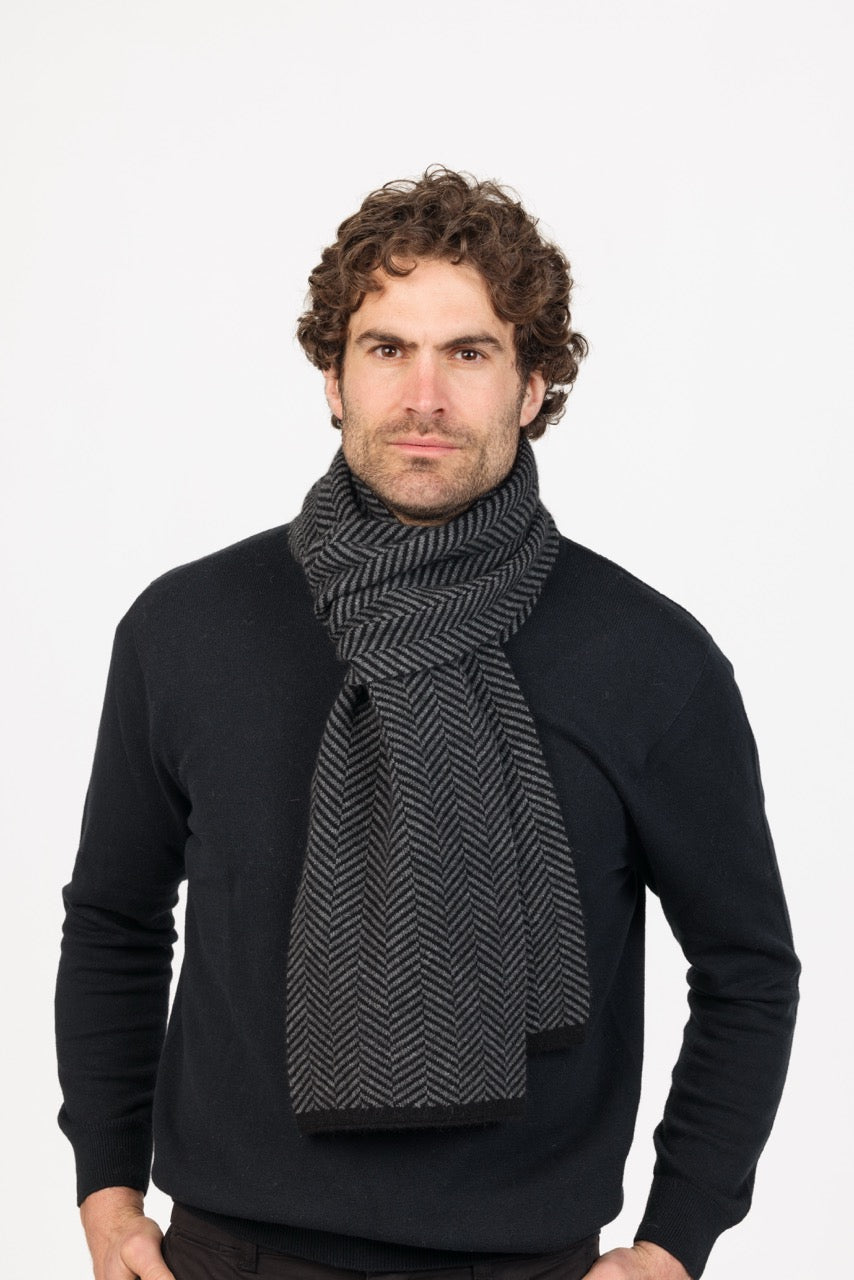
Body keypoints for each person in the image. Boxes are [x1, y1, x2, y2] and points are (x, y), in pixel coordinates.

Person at [55, 167, 800, 1280]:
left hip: (525, 1264)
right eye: (386, 347)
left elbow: (746, 969)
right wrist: (108, 1194)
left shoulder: (651, 660)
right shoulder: (187, 628)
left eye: (469, 352)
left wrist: (672, 1242)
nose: (424, 396)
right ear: (332, 376)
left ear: (533, 384)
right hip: (225, 1255)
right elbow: (116, 920)